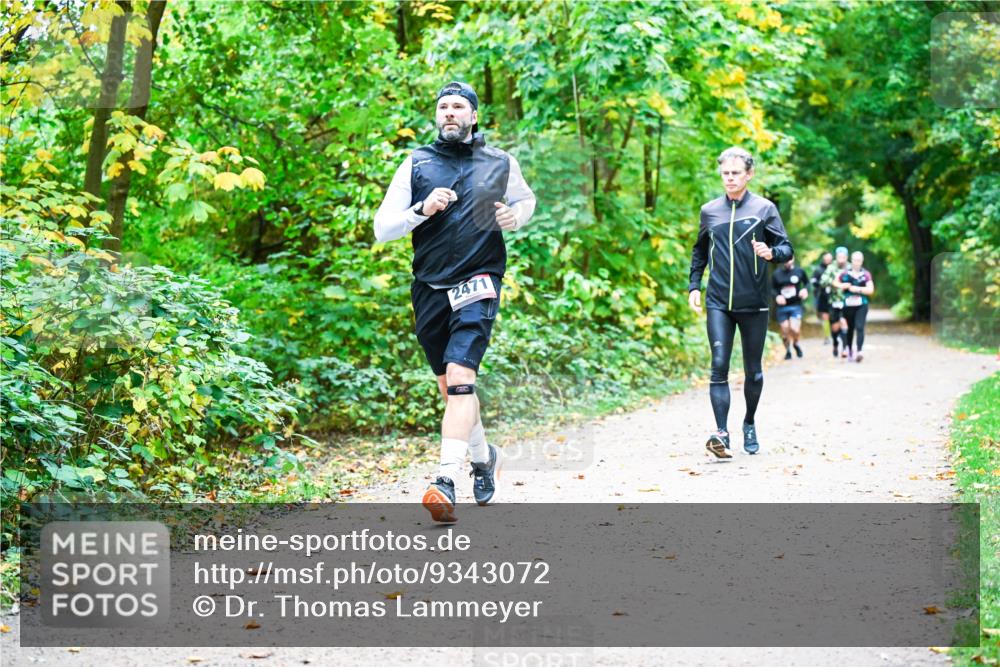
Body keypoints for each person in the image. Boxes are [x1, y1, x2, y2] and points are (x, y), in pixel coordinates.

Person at [373, 81, 536, 522]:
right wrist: (420, 210)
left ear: (473, 116)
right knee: (450, 387)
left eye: (458, 106)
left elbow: (526, 200)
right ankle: (484, 459)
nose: (449, 112)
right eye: (443, 106)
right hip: (428, 286)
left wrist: (514, 217)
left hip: (479, 280)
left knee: (462, 377)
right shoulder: (417, 163)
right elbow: (382, 228)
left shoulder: (500, 161)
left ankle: (446, 479)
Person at [688, 147, 793, 458]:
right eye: (725, 173)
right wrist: (695, 285)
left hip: (755, 303)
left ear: (749, 174)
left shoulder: (764, 209)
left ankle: (748, 422)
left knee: (753, 371)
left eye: (735, 173)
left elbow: (786, 249)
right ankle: (721, 434)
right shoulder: (710, 211)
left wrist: (771, 253)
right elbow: (700, 251)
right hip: (718, 301)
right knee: (718, 367)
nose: (729, 178)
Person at [833, 250, 874, 362]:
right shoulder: (845, 273)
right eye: (855, 260)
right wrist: (843, 285)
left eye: (859, 260)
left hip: (862, 305)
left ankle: (860, 351)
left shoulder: (866, 274)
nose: (857, 262)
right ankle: (850, 349)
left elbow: (871, 289)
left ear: (862, 261)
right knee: (849, 328)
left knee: (859, 327)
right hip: (847, 305)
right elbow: (835, 283)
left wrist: (859, 289)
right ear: (851, 260)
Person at [772, 256, 809, 359]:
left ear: (793, 259)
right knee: (784, 330)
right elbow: (772, 288)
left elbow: (807, 283)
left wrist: (805, 290)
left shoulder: (799, 271)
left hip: (796, 305)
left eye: (789, 259)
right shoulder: (776, 274)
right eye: (785, 259)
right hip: (782, 307)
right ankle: (787, 351)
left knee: (794, 329)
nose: (787, 261)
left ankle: (796, 344)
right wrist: (777, 296)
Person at [820, 247, 851, 357]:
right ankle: (835, 344)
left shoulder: (850, 267)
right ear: (836, 257)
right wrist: (834, 283)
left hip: (847, 300)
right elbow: (822, 281)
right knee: (835, 327)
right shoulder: (831, 267)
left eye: (843, 257)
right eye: (839, 257)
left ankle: (845, 348)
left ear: (846, 257)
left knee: (844, 322)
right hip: (834, 300)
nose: (841, 259)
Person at [811, 251, 833, 345]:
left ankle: (835, 335)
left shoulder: (835, 269)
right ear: (823, 259)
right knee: (825, 317)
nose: (828, 260)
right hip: (822, 296)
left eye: (829, 259)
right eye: (826, 259)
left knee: (834, 317)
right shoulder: (818, 270)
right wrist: (821, 285)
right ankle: (827, 337)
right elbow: (813, 281)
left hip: (834, 296)